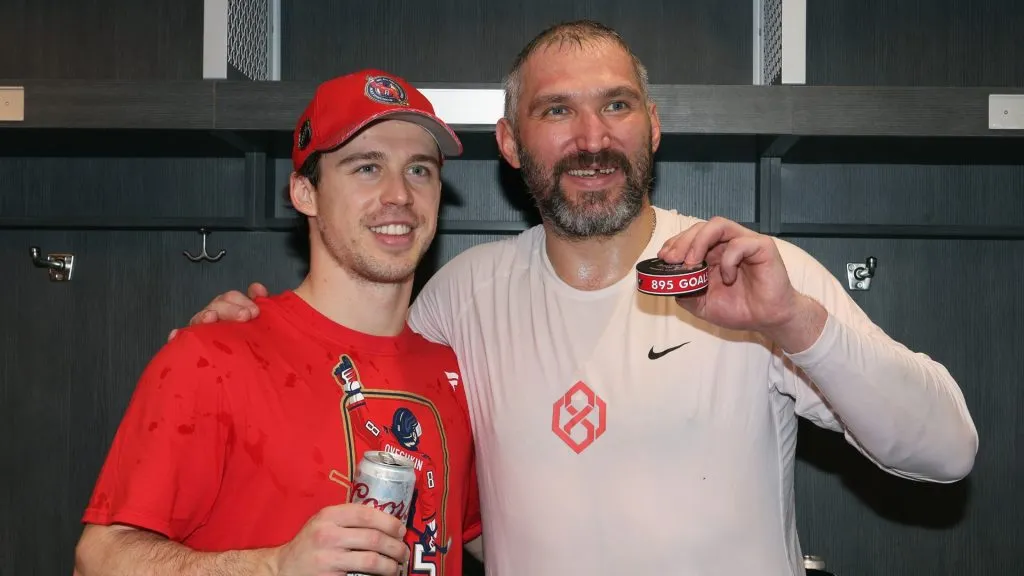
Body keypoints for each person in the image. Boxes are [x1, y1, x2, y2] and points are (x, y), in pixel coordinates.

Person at [184, 20, 979, 576]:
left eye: (617, 106)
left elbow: (948, 452)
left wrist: (795, 324)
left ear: (653, 127)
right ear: (508, 141)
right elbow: (349, 371)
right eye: (556, 110)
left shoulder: (750, 275)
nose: (592, 138)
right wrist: (257, 330)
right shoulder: (461, 298)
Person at [74, 69, 483, 576]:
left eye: (419, 170)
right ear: (305, 193)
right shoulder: (210, 358)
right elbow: (100, 559)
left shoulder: (457, 373)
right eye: (366, 168)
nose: (399, 194)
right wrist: (273, 567)